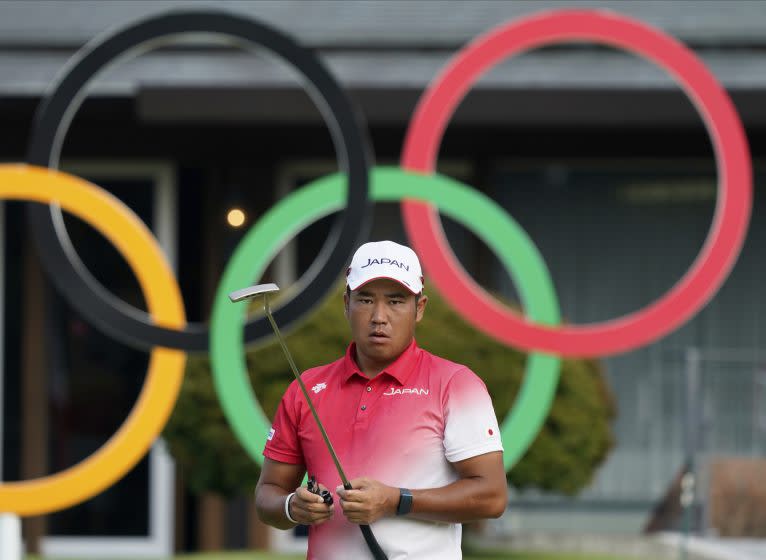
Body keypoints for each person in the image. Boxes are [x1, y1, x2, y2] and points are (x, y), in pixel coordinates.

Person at [255, 240, 507, 559]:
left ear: (420, 308)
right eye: (365, 299)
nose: (379, 317)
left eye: (396, 301)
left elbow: (491, 496)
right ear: (346, 304)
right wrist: (292, 506)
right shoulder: (306, 388)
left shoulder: (456, 384)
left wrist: (394, 500)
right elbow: (268, 495)